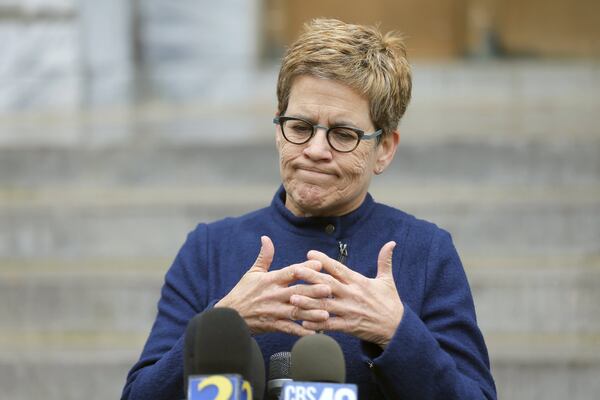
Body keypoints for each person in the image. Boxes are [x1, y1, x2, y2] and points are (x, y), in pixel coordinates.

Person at [122, 18, 496, 400]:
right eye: (300, 127)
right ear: (278, 127)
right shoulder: (209, 249)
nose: (316, 150)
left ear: (384, 148)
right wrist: (224, 321)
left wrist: (396, 331)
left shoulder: (425, 252)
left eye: (343, 135)